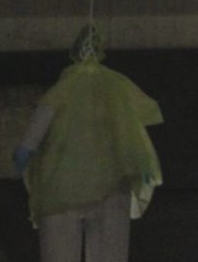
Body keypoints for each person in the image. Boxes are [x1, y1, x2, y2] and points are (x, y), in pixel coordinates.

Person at [13, 26, 163, 262]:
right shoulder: (115, 88)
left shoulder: (64, 88)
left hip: (62, 184)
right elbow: (132, 131)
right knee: (110, 252)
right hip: (110, 183)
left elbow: (37, 126)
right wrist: (142, 164)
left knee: (59, 251)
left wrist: (24, 153)